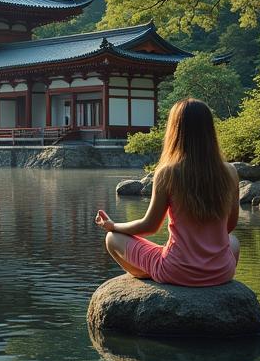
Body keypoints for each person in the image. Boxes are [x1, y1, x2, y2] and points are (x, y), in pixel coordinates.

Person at [94, 98, 239, 285]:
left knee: (112, 239)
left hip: (177, 271)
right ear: (209, 130)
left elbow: (150, 226)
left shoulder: (168, 173)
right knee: (232, 240)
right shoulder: (230, 171)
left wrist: (113, 226)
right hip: (222, 272)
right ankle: (205, 273)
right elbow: (230, 225)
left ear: (175, 130)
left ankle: (149, 274)